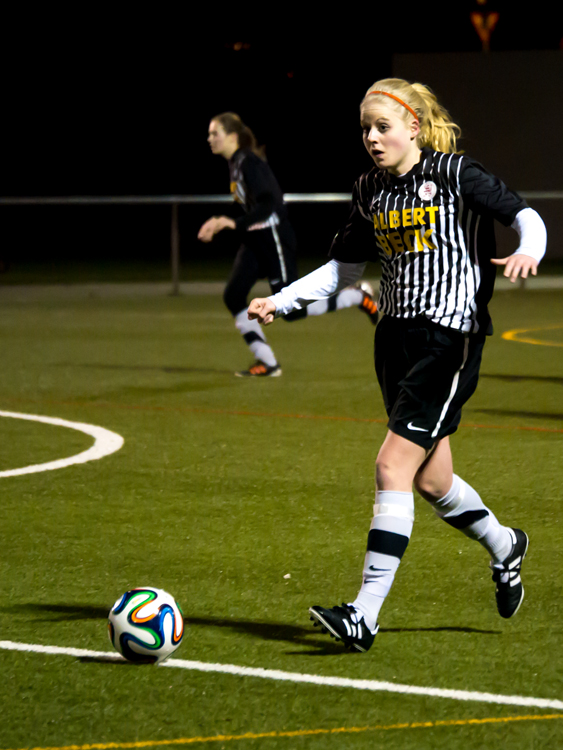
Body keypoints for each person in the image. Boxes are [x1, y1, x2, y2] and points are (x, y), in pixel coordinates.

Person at [248, 78, 546, 651]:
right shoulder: (370, 190)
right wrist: (280, 301)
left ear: (413, 126)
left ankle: (364, 614)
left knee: (391, 467)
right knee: (432, 480)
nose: (372, 138)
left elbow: (524, 214)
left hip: (447, 338)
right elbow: (343, 270)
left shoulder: (456, 175)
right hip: (395, 341)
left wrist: (530, 247)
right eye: (365, 128)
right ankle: (505, 545)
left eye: (383, 126)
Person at [197, 112, 379, 378]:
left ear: (232, 137)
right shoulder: (236, 163)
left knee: (290, 311)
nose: (210, 138)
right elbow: (250, 206)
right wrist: (223, 221)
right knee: (233, 296)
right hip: (255, 242)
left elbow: (270, 203)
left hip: (274, 240)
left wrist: (230, 223)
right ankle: (268, 363)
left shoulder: (249, 162)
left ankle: (356, 296)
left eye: (215, 133)